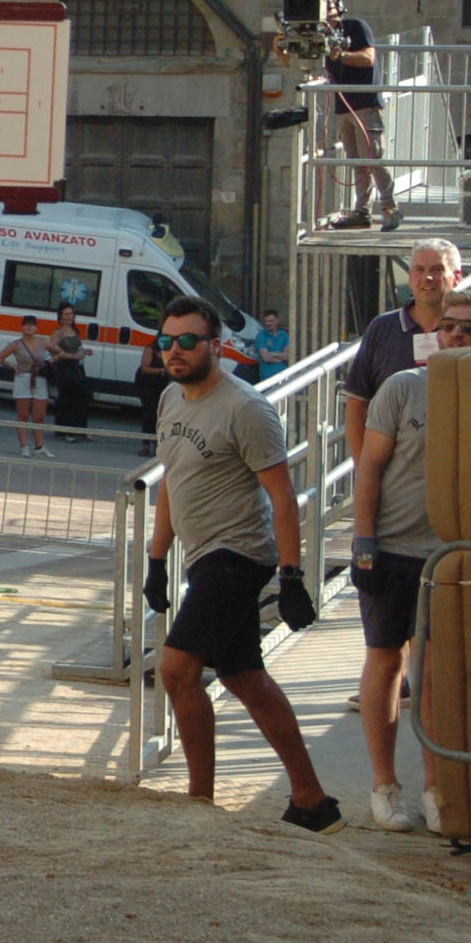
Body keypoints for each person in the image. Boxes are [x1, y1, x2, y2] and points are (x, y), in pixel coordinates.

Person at [144, 296, 341, 834]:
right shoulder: (170, 400)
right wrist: (156, 560)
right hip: (201, 554)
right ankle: (311, 800)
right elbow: (170, 483)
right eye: (167, 341)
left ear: (217, 346)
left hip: (238, 555)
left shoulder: (245, 408)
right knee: (243, 677)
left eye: (188, 340)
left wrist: (293, 576)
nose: (176, 351)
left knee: (177, 669)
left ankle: (198, 804)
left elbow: (281, 496)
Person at [349, 289, 471, 834]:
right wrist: (362, 540)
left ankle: (436, 787)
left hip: (453, 555)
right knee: (387, 662)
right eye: (449, 326)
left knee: (436, 675)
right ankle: (385, 786)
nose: (457, 336)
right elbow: (370, 466)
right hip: (395, 547)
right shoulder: (403, 388)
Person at [295, 0, 398, 232]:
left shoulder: (356, 27)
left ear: (338, 8)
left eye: (328, 8)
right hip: (342, 107)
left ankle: (390, 208)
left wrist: (339, 55)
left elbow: (368, 58)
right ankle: (362, 211)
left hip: (364, 102)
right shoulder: (318, 36)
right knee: (356, 161)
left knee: (373, 158)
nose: (325, 16)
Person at [343, 240, 463, 461]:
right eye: (418, 269)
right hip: (395, 477)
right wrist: (364, 469)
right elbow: (357, 404)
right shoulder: (382, 328)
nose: (427, 278)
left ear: (457, 277)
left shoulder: (470, 332)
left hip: (460, 468)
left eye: (437, 270)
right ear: (410, 277)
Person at [0, 316, 54, 457]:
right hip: (23, 378)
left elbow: (57, 352)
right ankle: (24, 446)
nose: (29, 328)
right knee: (23, 414)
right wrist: (13, 366)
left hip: (39, 379)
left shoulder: (43, 341)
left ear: (36, 328)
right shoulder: (16, 344)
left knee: (39, 415)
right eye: (26, 325)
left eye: (32, 325)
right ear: (22, 327)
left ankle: (39, 447)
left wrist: (49, 363)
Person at [48, 303, 92, 440]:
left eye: (71, 314)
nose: (69, 317)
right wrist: (71, 356)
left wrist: (84, 352)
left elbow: (77, 348)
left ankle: (80, 430)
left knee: (81, 398)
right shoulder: (57, 333)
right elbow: (53, 351)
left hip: (77, 367)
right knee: (66, 399)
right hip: (64, 368)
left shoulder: (75, 331)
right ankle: (64, 431)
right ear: (60, 316)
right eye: (66, 314)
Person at [135, 336, 167, 457]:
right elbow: (145, 368)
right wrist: (162, 371)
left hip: (161, 385)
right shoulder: (150, 349)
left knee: (160, 414)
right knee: (149, 413)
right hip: (147, 384)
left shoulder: (169, 350)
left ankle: (157, 442)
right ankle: (146, 445)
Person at [252, 309, 291, 384]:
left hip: (283, 375)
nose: (268, 324)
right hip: (267, 377)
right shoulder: (261, 336)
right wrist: (280, 356)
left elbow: (288, 355)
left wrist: (273, 354)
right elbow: (266, 358)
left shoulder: (283, 335)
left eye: (271, 321)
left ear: (277, 321)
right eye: (266, 321)